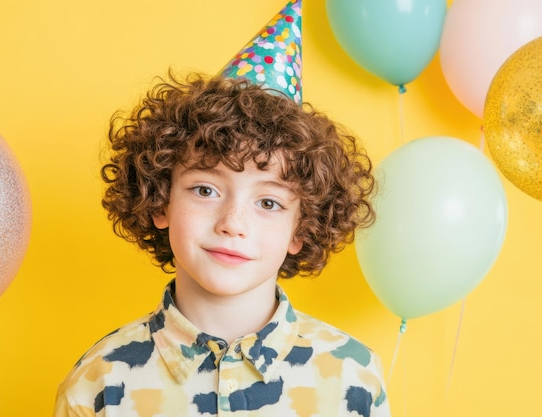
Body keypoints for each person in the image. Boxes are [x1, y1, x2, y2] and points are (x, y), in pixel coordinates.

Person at [52, 71, 390, 417]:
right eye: (205, 190)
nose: (232, 223)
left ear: (300, 230)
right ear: (159, 201)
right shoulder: (98, 382)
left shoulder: (354, 377)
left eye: (268, 203)